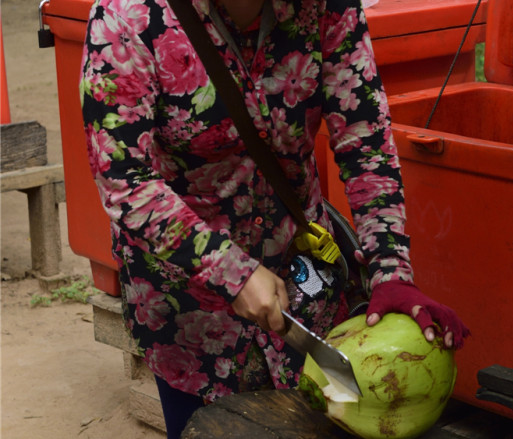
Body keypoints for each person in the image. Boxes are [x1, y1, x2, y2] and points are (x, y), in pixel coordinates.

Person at [79, 0, 470, 437]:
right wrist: (231, 272)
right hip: (190, 309)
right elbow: (124, 180)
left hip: (304, 286)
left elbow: (365, 142)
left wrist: (391, 271)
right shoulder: (127, 17)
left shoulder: (325, 7)